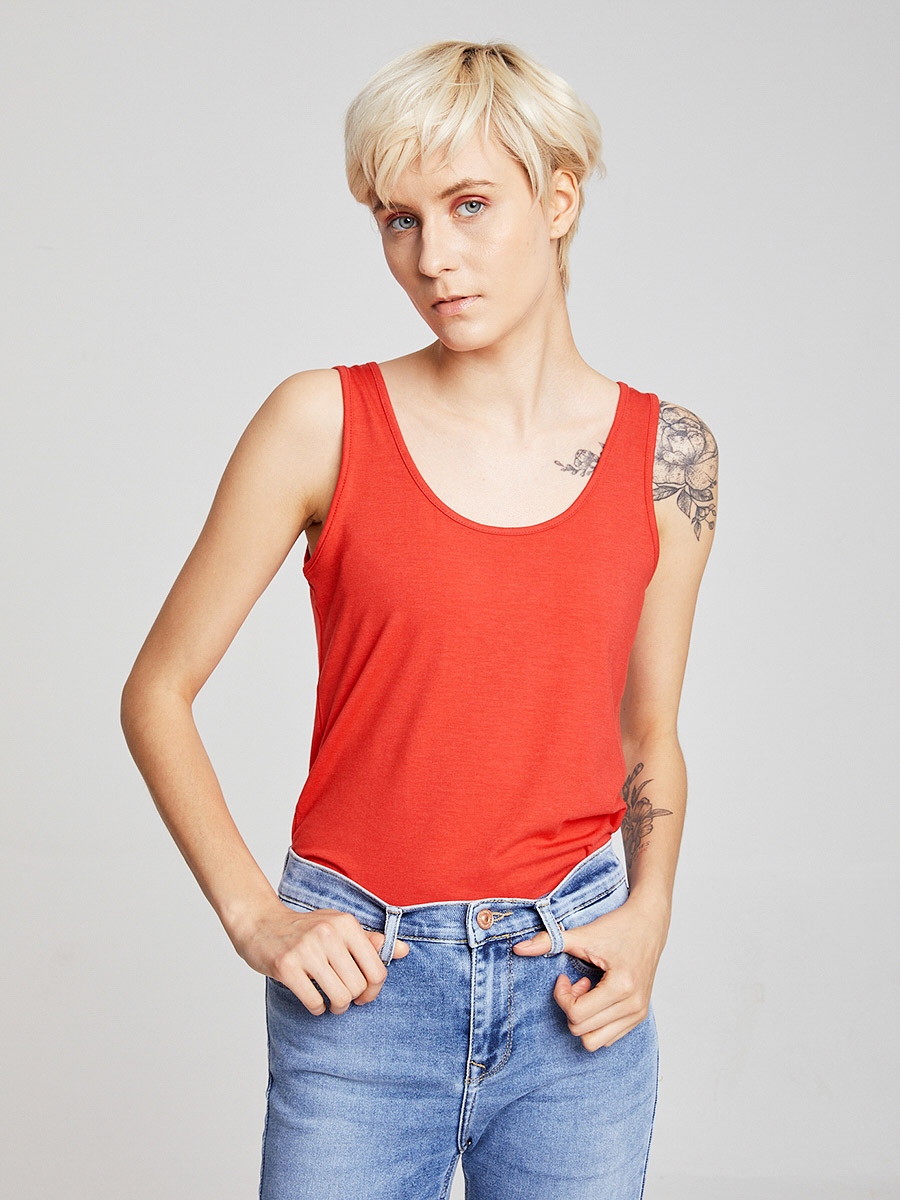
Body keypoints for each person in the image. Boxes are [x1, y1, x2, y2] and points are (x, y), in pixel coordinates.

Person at [121, 38, 718, 1200]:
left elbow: (648, 730)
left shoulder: (671, 458)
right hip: (364, 989)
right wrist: (256, 917)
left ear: (559, 200)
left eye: (470, 205)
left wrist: (649, 915)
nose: (431, 257)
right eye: (399, 220)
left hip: (573, 992)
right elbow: (157, 690)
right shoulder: (320, 423)